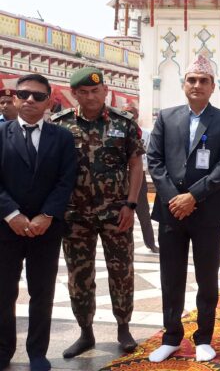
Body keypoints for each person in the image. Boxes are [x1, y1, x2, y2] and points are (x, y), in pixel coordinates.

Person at [146, 55, 220, 363]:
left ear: (213, 86)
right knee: (171, 276)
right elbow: (154, 160)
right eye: (192, 80)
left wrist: (193, 197)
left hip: (207, 212)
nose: (197, 85)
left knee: (207, 277)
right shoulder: (167, 117)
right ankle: (171, 337)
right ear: (183, 84)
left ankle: (204, 338)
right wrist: (175, 198)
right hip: (171, 210)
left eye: (203, 81)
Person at [52, 67, 145, 359]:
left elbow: (135, 165)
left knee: (122, 272)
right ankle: (85, 332)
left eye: (96, 90)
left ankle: (123, 327)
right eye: (84, 92)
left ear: (105, 90)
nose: (91, 96)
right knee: (79, 275)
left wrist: (131, 204)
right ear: (74, 94)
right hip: (75, 215)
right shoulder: (60, 125)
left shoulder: (123, 123)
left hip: (116, 213)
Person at [0, 75, 76, 371]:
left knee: (42, 292)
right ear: (15, 98)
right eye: (23, 94)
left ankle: (37, 353)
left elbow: (66, 179)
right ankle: (3, 349)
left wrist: (47, 215)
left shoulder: (62, 137)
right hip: (6, 227)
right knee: (4, 291)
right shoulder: (1, 133)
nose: (30, 100)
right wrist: (12, 214)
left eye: (38, 96)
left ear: (49, 102)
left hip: (46, 228)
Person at [124, 101, 159, 253]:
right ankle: (123, 244)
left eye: (131, 114)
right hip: (120, 176)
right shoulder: (116, 131)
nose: (128, 116)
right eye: (125, 113)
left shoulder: (145, 134)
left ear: (137, 116)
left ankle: (150, 243)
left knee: (143, 212)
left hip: (138, 175)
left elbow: (150, 155)